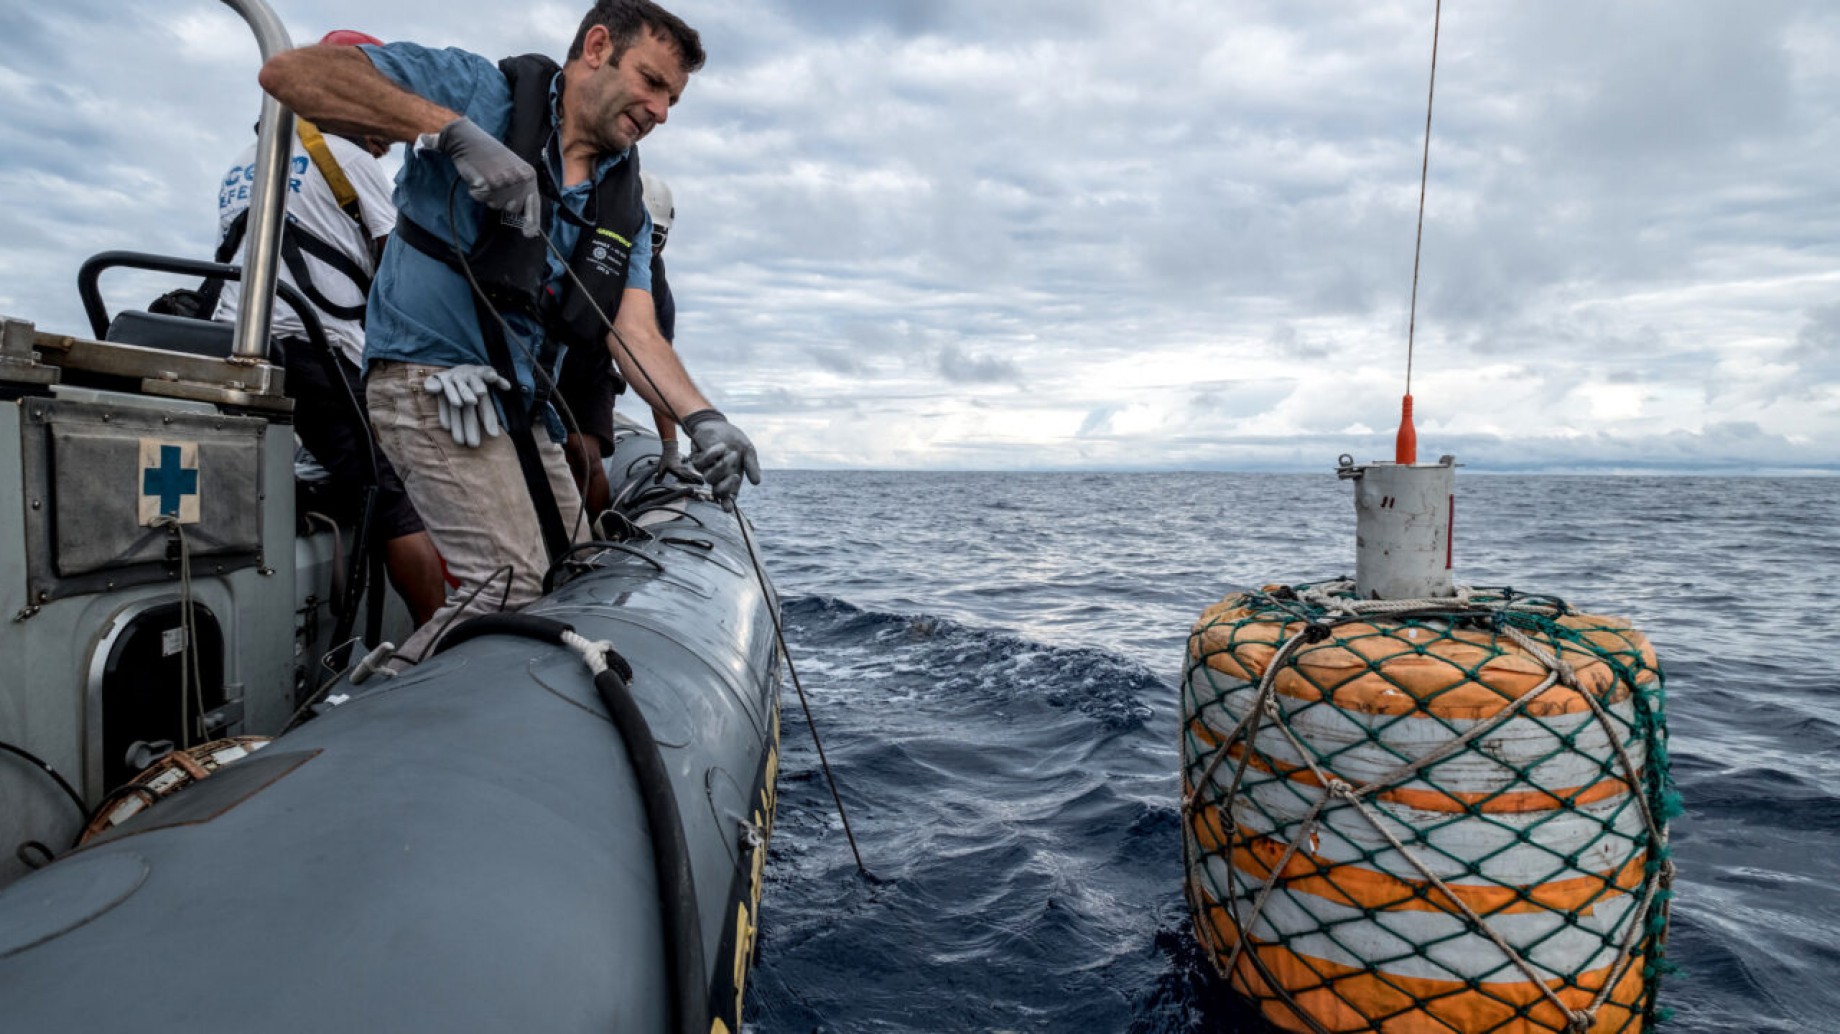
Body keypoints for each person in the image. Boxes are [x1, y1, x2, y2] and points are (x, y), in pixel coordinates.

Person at [256, 0, 761, 663]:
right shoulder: (479, 90)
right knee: (512, 589)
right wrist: (451, 132)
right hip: (428, 380)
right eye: (652, 81)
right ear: (598, 46)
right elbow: (293, 74)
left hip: (521, 405)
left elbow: (634, 328)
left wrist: (705, 419)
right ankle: (374, 716)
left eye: (672, 99)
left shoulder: (626, 203)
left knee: (578, 570)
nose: (661, 110)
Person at [214, 28, 447, 628]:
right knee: (393, 497)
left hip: (239, 345)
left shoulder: (244, 162)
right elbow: (403, 275)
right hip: (314, 349)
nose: (384, 140)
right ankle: (443, 641)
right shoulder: (348, 160)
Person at [555, 168, 694, 517]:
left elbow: (656, 366)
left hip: (591, 368)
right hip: (543, 353)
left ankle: (597, 536)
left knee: (584, 454)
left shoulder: (655, 288)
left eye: (655, 238)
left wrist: (670, 449)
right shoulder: (569, 249)